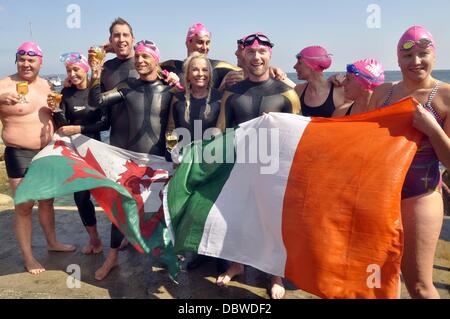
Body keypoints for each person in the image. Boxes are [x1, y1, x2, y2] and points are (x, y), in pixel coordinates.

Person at [216, 33, 301, 299]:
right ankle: (237, 264)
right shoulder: (232, 92)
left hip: (274, 168)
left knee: (272, 222)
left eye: (261, 52)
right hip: (239, 166)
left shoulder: (286, 92)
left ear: (269, 55)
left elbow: (299, 134)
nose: (256, 58)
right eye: (251, 53)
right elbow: (220, 130)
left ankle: (275, 274)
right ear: (243, 56)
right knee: (237, 216)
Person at [368, 25, 450, 298]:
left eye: (423, 54)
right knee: (379, 278)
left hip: (421, 193)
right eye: (408, 56)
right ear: (398, 59)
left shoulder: (445, 97)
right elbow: (362, 141)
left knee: (419, 285)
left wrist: (433, 130)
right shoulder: (382, 94)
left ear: (434, 56)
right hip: (380, 194)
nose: (415, 61)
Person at [88, 40, 173, 279]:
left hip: (158, 160)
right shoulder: (127, 86)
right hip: (130, 160)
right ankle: (112, 257)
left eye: (146, 56)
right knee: (121, 208)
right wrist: (96, 76)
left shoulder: (170, 90)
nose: (140, 60)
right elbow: (97, 101)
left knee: (159, 211)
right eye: (138, 57)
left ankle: (164, 250)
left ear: (156, 59)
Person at [0, 42, 75, 275]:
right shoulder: (4, 85)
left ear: (40, 62)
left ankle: (52, 243)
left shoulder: (46, 86)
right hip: (19, 152)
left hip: (46, 152)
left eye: (31, 60)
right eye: (22, 59)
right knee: (23, 206)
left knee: (46, 202)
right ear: (16, 61)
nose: (26, 64)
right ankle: (28, 256)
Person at [166, 52, 229, 273]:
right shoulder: (177, 98)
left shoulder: (221, 98)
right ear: (187, 74)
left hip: (213, 164)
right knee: (192, 210)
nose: (200, 74)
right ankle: (200, 253)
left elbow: (224, 131)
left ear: (210, 74)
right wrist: (174, 154)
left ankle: (222, 257)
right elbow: (171, 129)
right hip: (186, 164)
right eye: (195, 69)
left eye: (204, 70)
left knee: (214, 211)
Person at [47, 53, 109, 255]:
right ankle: (95, 239)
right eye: (68, 70)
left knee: (110, 197)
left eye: (76, 69)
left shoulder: (96, 89)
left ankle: (123, 237)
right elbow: (62, 126)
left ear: (85, 69)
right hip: (76, 154)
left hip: (98, 152)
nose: (72, 74)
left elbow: (105, 122)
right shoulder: (65, 93)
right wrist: (56, 109)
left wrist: (80, 128)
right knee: (81, 199)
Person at [161, 23, 240, 90]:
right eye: (200, 42)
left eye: (207, 43)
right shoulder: (171, 66)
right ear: (188, 43)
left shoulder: (218, 67)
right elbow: (151, 63)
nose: (205, 47)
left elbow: (245, 72)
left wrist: (226, 82)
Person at [219, 34, 296, 91]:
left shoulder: (275, 75)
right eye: (251, 52)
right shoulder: (231, 76)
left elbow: (298, 93)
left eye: (239, 49)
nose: (235, 53)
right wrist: (225, 87)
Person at [293, 46, 350, 117]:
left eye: (299, 63)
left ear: (311, 66)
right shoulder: (298, 90)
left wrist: (346, 80)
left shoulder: (339, 91)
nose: (294, 66)